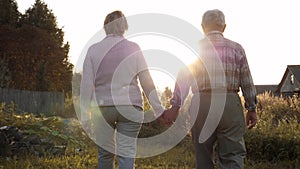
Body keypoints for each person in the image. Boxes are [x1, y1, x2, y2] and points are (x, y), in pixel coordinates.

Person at [163, 9, 257, 169]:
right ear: (224, 27)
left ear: (202, 26)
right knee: (232, 154)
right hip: (229, 101)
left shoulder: (194, 48)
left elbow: (183, 78)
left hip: (202, 102)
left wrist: (175, 106)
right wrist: (251, 108)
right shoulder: (237, 48)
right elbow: (247, 81)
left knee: (203, 154)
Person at [80, 10, 164, 169]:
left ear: (105, 27)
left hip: (102, 107)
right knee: (126, 152)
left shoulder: (93, 49)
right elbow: (147, 81)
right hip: (131, 106)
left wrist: (85, 114)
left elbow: (86, 84)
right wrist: (158, 110)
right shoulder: (134, 48)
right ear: (124, 27)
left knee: (105, 153)